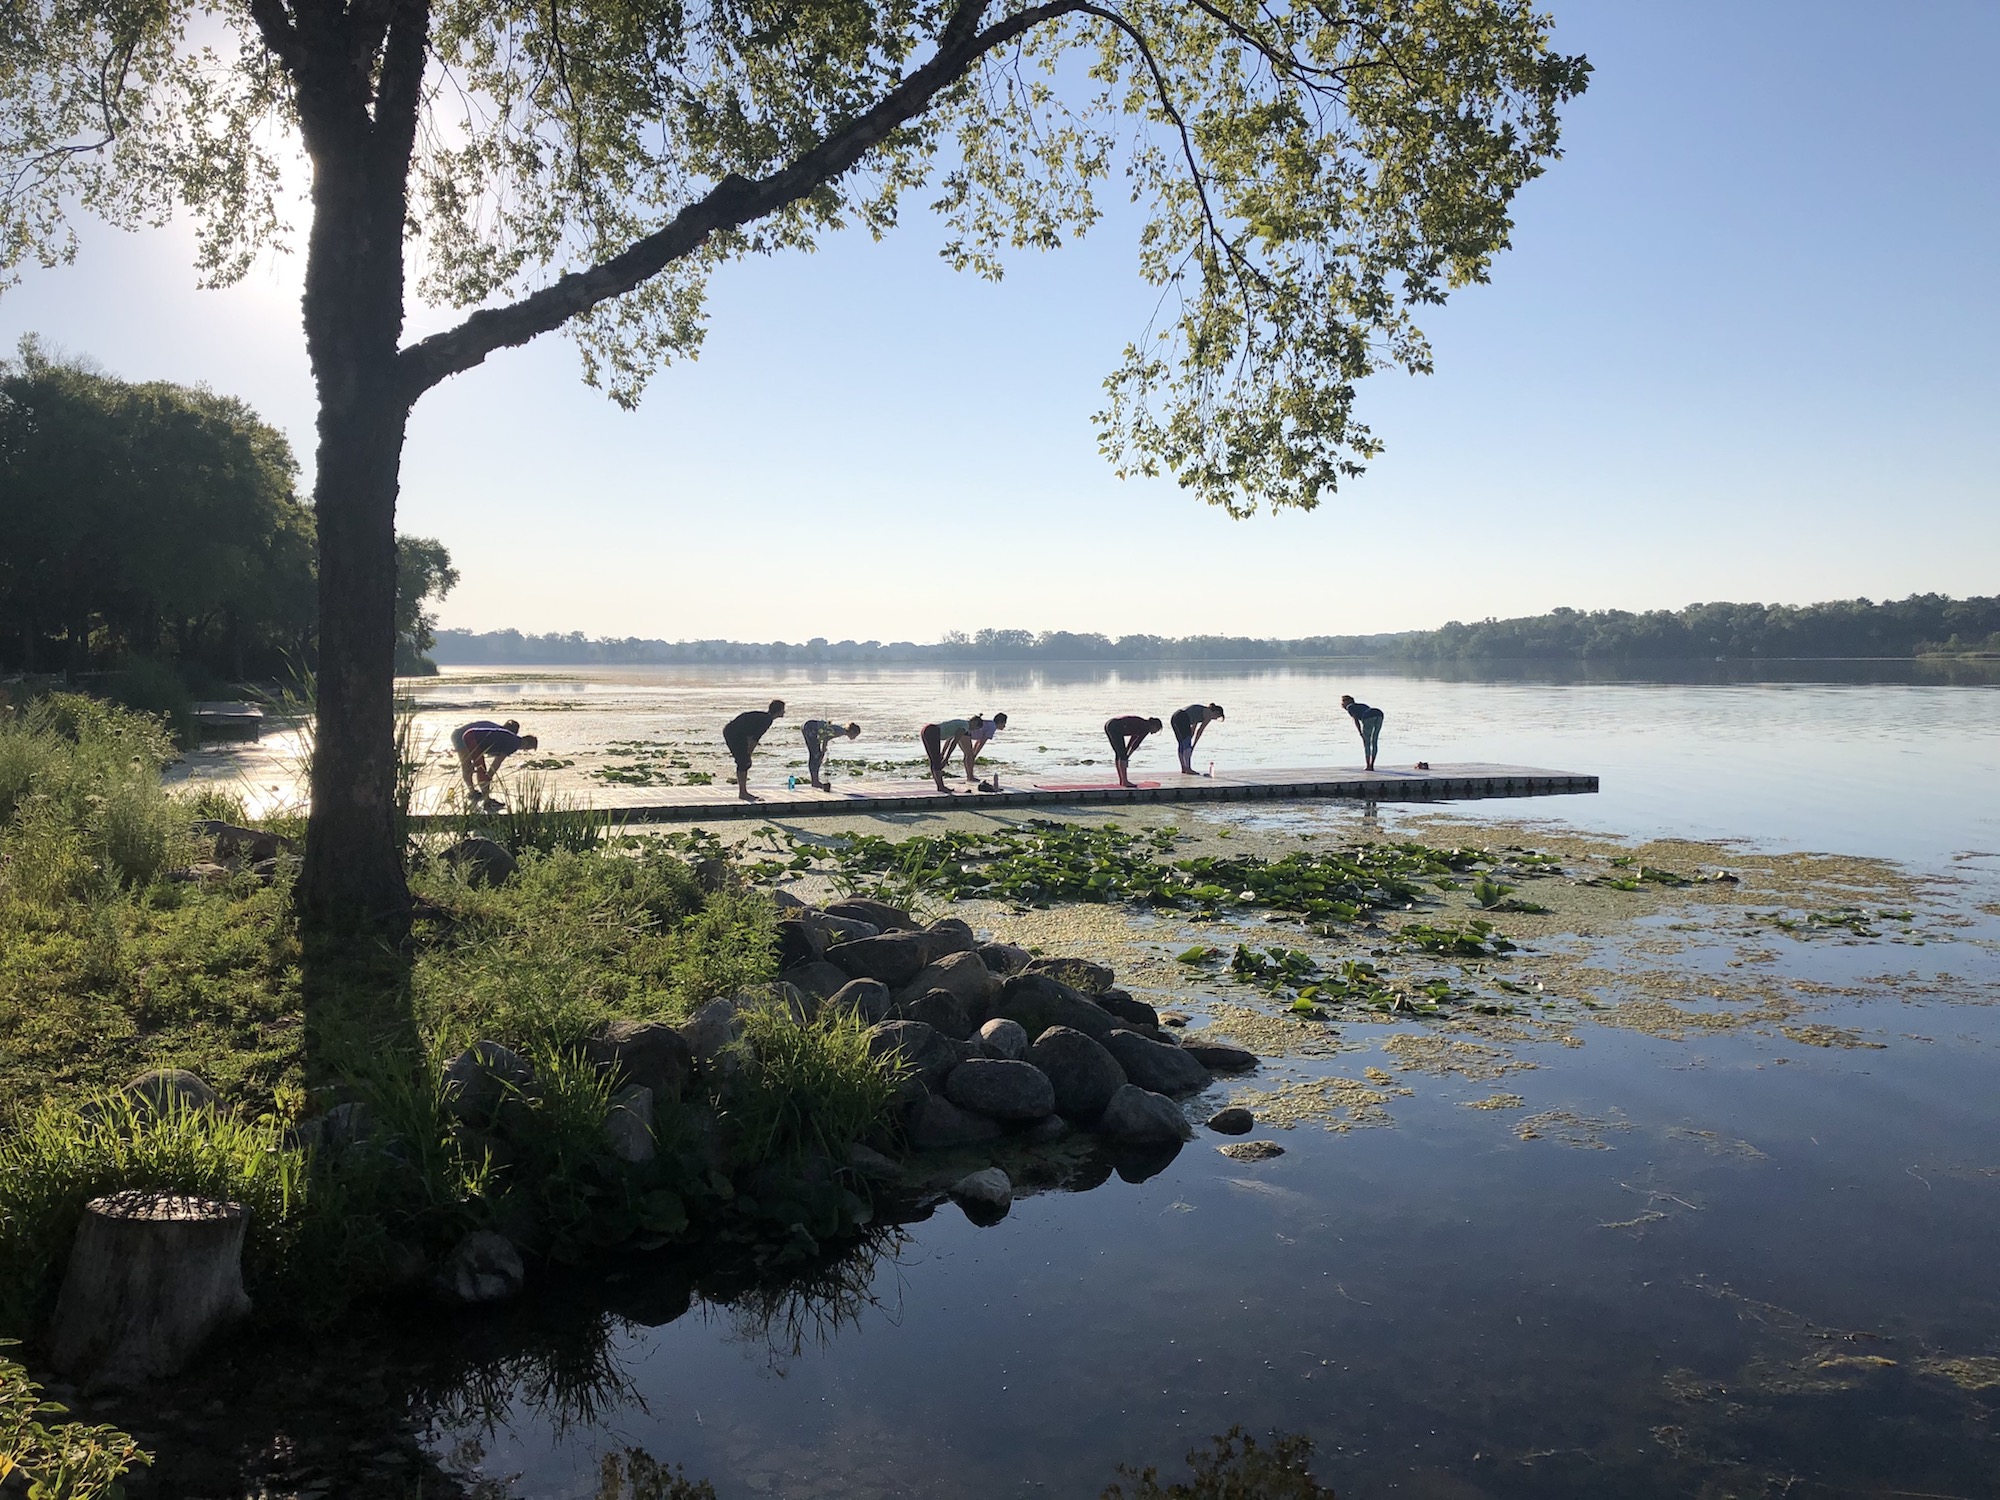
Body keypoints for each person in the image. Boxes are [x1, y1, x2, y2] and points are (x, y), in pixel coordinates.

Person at [450, 718, 537, 808]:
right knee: (478, 769)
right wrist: (489, 775)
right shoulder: (513, 743)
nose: (524, 750)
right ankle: (484, 799)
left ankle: (482, 796)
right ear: (525, 742)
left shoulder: (506, 736)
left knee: (478, 768)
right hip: (466, 736)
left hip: (471, 736)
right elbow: (498, 761)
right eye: (527, 748)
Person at [723, 699, 785, 801]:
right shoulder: (767, 720)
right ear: (778, 711)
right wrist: (749, 754)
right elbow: (755, 739)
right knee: (744, 762)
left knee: (744, 762)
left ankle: (743, 791)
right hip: (733, 733)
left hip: (734, 732)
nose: (784, 712)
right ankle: (743, 793)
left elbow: (750, 734)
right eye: (783, 710)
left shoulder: (765, 717)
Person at [800, 717, 861, 791]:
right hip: (810, 727)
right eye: (855, 735)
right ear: (852, 732)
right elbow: (826, 737)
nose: (854, 738)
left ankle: (815, 781)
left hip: (807, 726)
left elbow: (826, 736)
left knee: (815, 755)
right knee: (816, 755)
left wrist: (823, 750)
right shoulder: (841, 732)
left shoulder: (840, 730)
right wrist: (823, 750)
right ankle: (815, 781)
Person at [1104, 715, 1163, 788]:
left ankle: (1122, 781)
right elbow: (1136, 743)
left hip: (1110, 724)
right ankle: (1124, 781)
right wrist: (1126, 756)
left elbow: (1132, 740)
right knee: (1122, 755)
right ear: (1154, 725)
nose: (1154, 732)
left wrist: (1127, 755)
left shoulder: (1143, 724)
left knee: (1119, 754)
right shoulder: (1146, 727)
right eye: (1157, 730)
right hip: (1115, 726)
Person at [954, 711, 1008, 786]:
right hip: (966, 733)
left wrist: (974, 752)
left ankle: (969, 776)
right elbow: (982, 742)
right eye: (1004, 723)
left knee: (968, 755)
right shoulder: (992, 727)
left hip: (965, 733)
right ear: (1000, 722)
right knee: (969, 755)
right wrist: (975, 754)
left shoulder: (989, 724)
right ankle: (970, 777)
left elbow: (978, 741)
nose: (1004, 726)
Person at [1170, 703, 1225, 775]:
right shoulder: (1209, 714)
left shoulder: (1201, 710)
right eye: (1217, 717)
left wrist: (1190, 740)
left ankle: (1184, 768)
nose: (1215, 719)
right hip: (1183, 718)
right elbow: (1200, 730)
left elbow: (1193, 727)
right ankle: (1188, 768)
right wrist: (1193, 745)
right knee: (1186, 744)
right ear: (1216, 712)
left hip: (1175, 716)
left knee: (1182, 744)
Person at [1341, 694, 1385, 771]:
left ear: (1348, 701)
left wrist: (1360, 733)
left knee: (1367, 742)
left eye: (1343, 702)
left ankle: (1368, 766)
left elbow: (1356, 720)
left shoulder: (1350, 707)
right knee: (1374, 741)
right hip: (1379, 713)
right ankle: (1372, 765)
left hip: (1368, 716)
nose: (1342, 704)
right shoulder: (1362, 705)